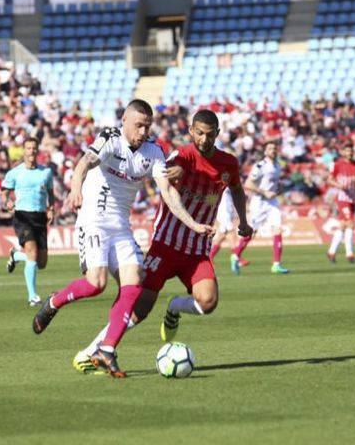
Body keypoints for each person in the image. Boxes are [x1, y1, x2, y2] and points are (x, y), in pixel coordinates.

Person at [30, 100, 214, 377]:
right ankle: (54, 302)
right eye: (138, 125)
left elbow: (167, 190)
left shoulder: (153, 151)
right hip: (93, 220)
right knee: (97, 283)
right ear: (125, 121)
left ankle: (107, 350)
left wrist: (192, 223)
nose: (143, 131)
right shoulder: (110, 139)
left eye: (147, 126)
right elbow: (83, 164)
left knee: (134, 282)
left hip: (120, 227)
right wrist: (75, 190)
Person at [72, 110, 253, 376]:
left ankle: (173, 308)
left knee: (208, 302)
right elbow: (168, 168)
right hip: (165, 246)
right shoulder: (181, 155)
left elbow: (237, 189)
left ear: (217, 134)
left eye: (209, 134)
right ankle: (91, 351)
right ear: (191, 131)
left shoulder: (228, 163)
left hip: (197, 250)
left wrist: (243, 221)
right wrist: (175, 171)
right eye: (199, 133)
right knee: (139, 307)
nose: (203, 139)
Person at [1, 137, 55, 306]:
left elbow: (51, 193)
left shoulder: (46, 172)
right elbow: (4, 193)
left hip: (39, 217)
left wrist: (51, 208)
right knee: (32, 251)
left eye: (34, 148)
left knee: (41, 262)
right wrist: (7, 202)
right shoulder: (15, 173)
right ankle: (32, 296)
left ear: (37, 151)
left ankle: (16, 256)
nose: (31, 151)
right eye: (28, 148)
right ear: (24, 151)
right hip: (22, 216)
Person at [230, 141, 290, 275]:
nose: (273, 150)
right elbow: (248, 184)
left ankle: (276, 264)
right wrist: (264, 192)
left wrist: (278, 189)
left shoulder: (278, 165)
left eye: (275, 148)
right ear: (265, 151)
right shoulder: (260, 166)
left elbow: (274, 183)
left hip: (272, 202)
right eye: (270, 148)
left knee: (278, 229)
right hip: (259, 202)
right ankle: (235, 255)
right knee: (251, 233)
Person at [326, 143, 355, 264]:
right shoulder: (337, 164)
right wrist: (339, 185)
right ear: (342, 152)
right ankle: (349, 254)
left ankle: (331, 251)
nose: (350, 153)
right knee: (351, 223)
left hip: (352, 198)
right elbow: (329, 180)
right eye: (347, 151)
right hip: (342, 198)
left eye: (351, 151)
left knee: (342, 225)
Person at [208, 187, 239, 261]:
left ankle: (210, 257)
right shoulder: (216, 189)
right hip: (223, 216)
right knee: (231, 235)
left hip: (226, 215)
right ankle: (236, 257)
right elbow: (211, 203)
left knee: (222, 237)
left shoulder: (227, 191)